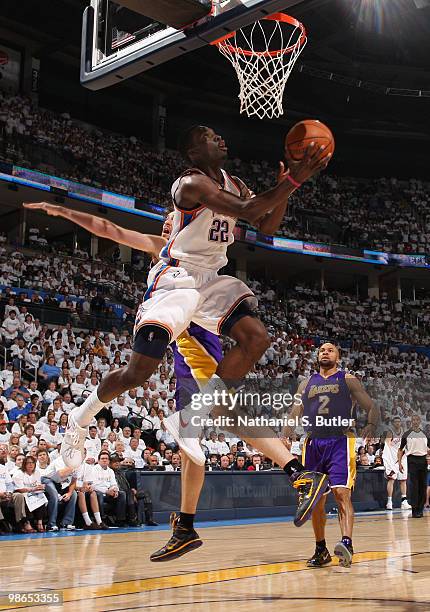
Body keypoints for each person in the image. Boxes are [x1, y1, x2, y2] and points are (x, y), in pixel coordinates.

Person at [25, 132, 330, 559]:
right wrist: (63, 211)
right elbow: (110, 228)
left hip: (207, 300)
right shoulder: (182, 203)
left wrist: (284, 190)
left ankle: (224, 502)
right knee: (189, 415)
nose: (221, 137)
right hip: (180, 290)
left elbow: (262, 219)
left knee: (215, 413)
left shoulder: (233, 184)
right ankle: (266, 482)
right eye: (209, 135)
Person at [286, 342, 380, 568]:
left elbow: (371, 406)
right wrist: (285, 433)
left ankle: (346, 543)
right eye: (321, 350)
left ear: (337, 356)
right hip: (313, 442)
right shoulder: (306, 383)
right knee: (316, 500)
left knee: (341, 493)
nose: (324, 352)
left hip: (340, 440)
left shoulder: (348, 379)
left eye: (329, 350)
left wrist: (371, 423)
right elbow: (295, 411)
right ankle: (321, 549)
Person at [398, 414, 430, 518]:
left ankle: (420, 509)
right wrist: (399, 463)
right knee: (414, 486)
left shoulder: (425, 434)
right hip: (412, 460)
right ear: (411, 421)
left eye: (417, 420)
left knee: (423, 485)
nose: (415, 421)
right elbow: (400, 449)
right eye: (413, 420)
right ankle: (415, 509)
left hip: (423, 460)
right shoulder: (407, 434)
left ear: (420, 421)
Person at [382, 417, 411, 510]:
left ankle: (404, 501)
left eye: (399, 421)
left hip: (402, 457)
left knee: (403, 480)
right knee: (391, 480)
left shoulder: (404, 432)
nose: (398, 423)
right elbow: (387, 445)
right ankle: (389, 502)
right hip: (392, 458)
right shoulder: (390, 432)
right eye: (396, 422)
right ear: (393, 423)